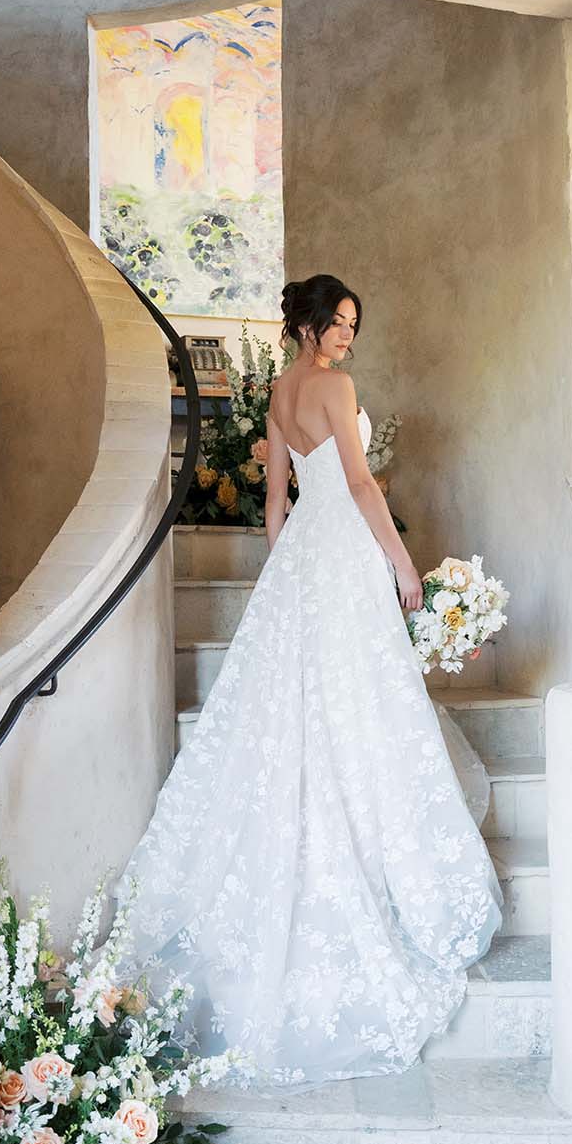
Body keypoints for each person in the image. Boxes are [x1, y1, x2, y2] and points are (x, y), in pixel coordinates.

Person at [113, 274, 503, 1087]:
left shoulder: (280, 391)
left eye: (354, 326)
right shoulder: (332, 387)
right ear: (310, 324)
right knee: (354, 697)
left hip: (300, 559)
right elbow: (359, 485)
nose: (347, 337)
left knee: (305, 700)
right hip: (344, 551)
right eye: (339, 324)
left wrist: (278, 572)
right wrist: (400, 561)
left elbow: (274, 503)